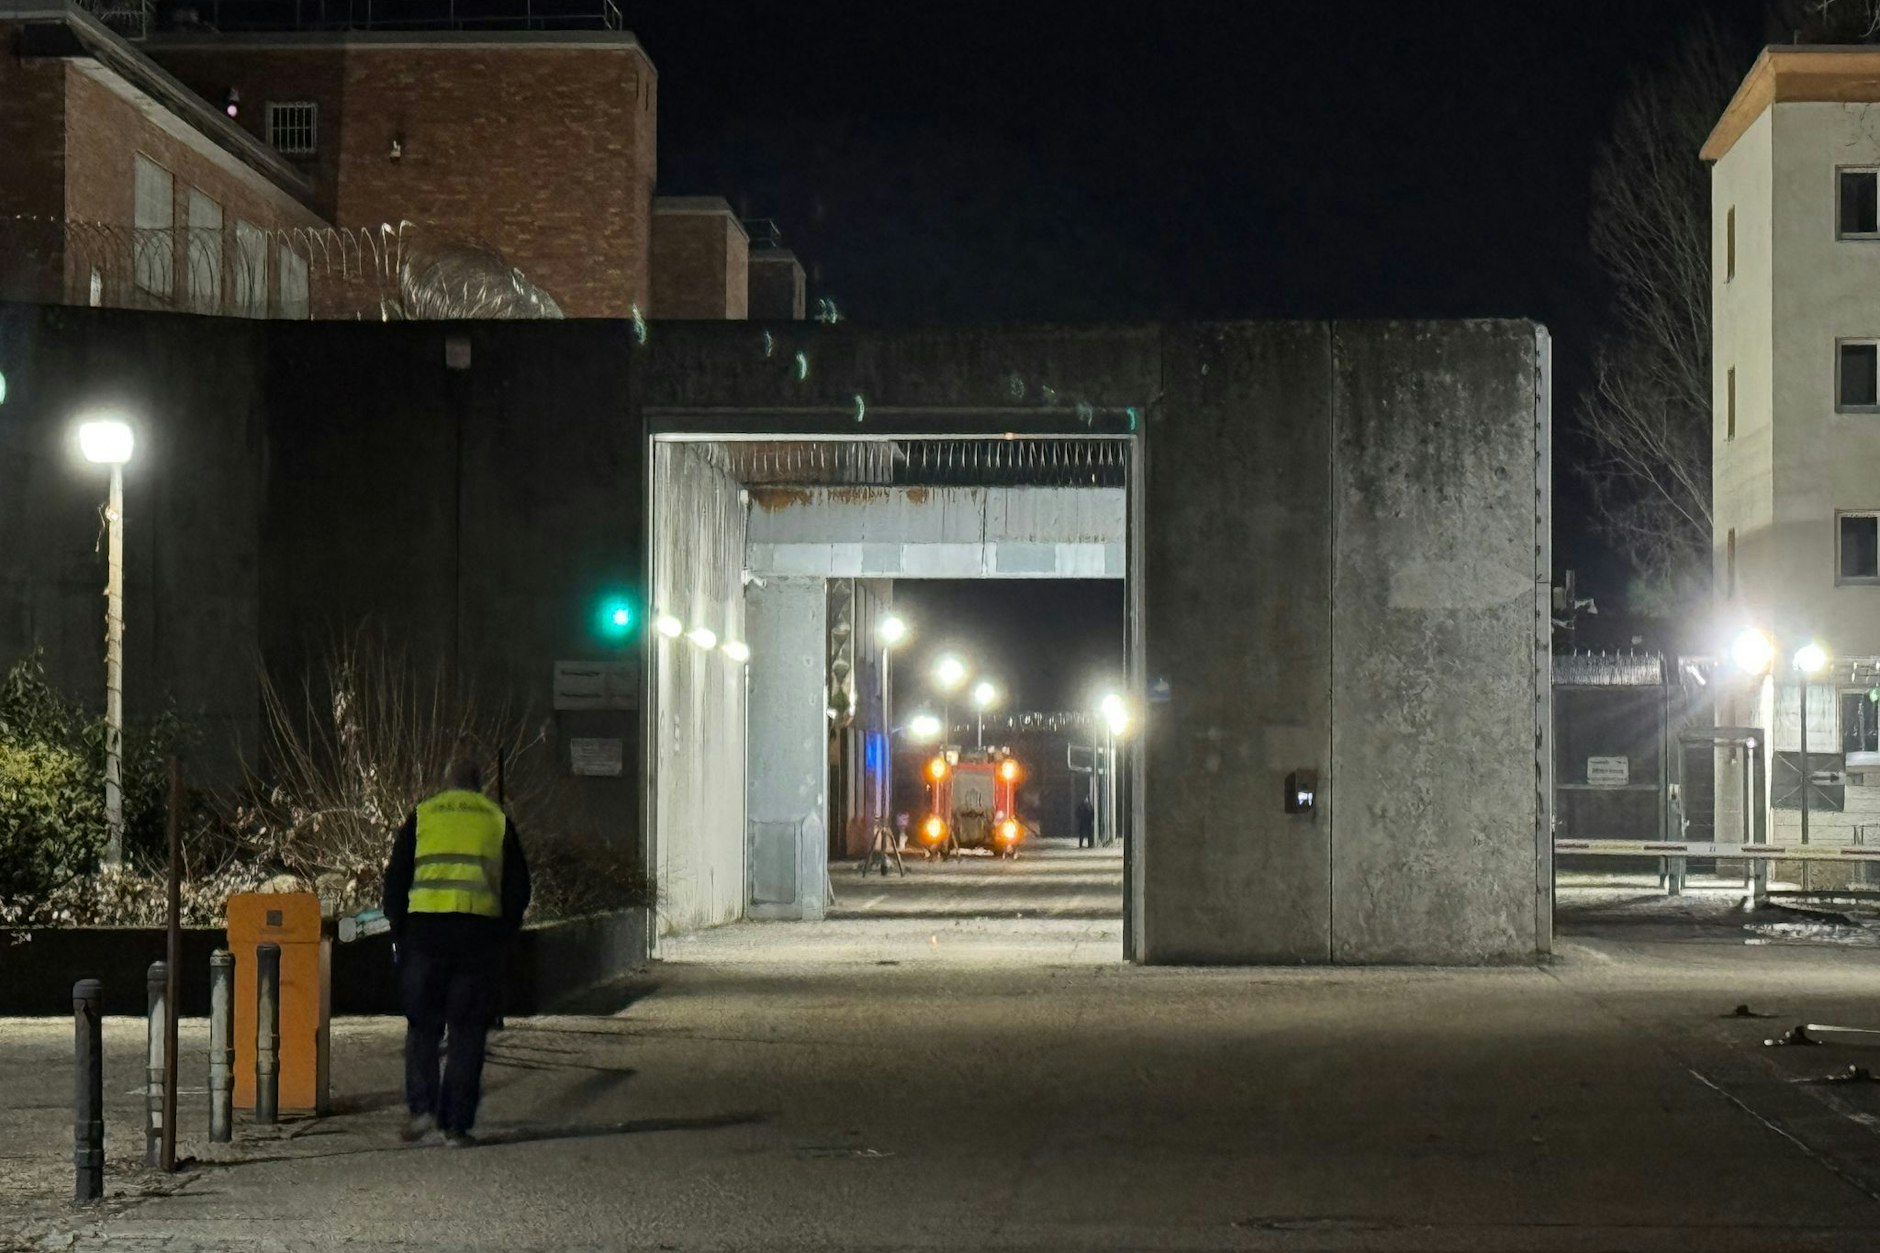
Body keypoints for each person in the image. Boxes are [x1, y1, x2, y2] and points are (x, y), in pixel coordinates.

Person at [382, 757, 531, 1147]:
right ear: (479, 783)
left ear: (445, 780)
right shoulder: (495, 820)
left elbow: (396, 880)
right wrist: (504, 932)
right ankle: (456, 1126)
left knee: (423, 1027)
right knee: (467, 1032)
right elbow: (518, 889)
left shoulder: (423, 816)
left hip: (425, 937)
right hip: (478, 940)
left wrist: (399, 928)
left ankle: (422, 1109)